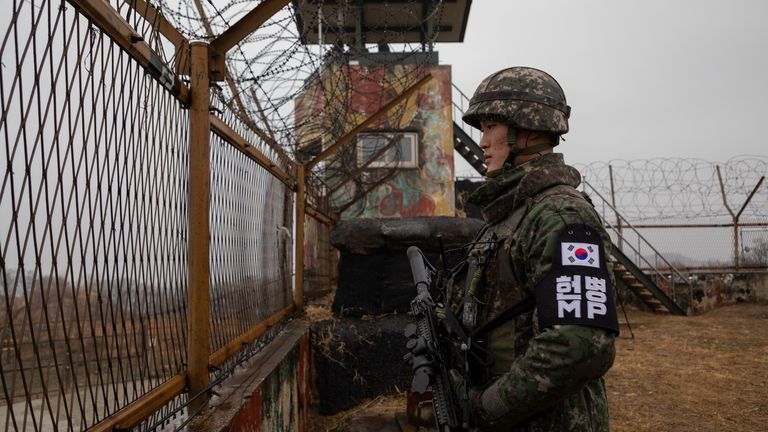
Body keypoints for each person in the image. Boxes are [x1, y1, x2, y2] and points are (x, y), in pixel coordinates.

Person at [450, 66, 620, 431]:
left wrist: (488, 406)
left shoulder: (560, 215)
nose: (481, 142)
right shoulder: (512, 212)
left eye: (489, 127)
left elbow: (580, 345)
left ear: (524, 130)